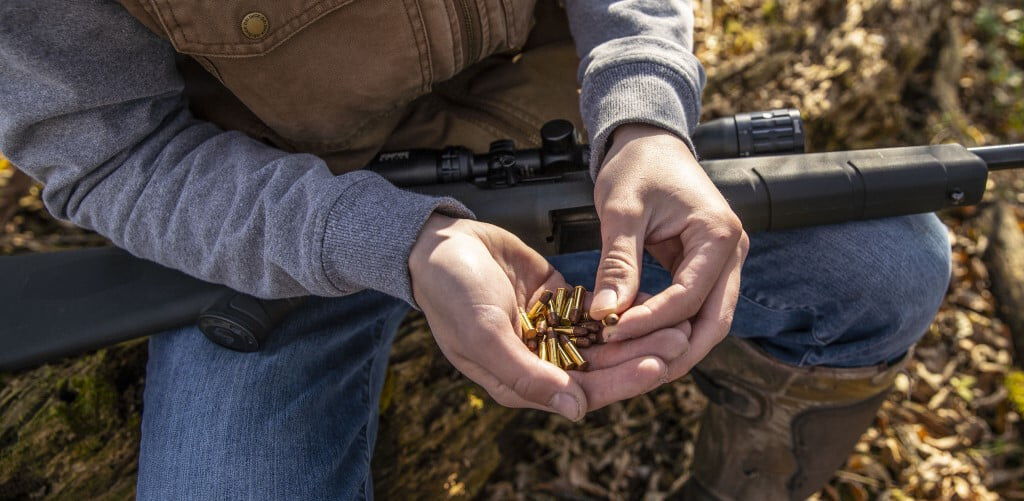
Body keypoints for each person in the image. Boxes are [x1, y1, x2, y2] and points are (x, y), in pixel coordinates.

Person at [0, 0, 951, 498]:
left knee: (888, 263)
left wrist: (645, 117)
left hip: (552, 150)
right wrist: (390, 240)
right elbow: (116, 153)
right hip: (268, 225)